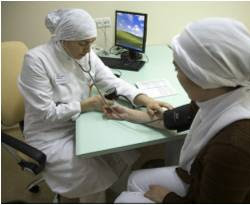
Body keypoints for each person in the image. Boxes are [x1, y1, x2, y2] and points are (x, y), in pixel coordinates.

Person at [104, 18, 250, 203]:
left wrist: (167, 198)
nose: (176, 74)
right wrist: (126, 113)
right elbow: (172, 120)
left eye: (177, 68)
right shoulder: (225, 94)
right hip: (200, 179)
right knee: (133, 180)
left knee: (123, 200)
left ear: (204, 78)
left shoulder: (234, 147)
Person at [18, 9, 172, 202]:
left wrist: (145, 99)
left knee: (119, 148)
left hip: (81, 120)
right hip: (49, 132)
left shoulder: (86, 55)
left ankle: (116, 194)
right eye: (83, 43)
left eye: (91, 42)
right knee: (88, 176)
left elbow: (111, 80)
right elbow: (46, 113)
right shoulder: (36, 60)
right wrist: (85, 105)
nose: (88, 49)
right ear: (64, 39)